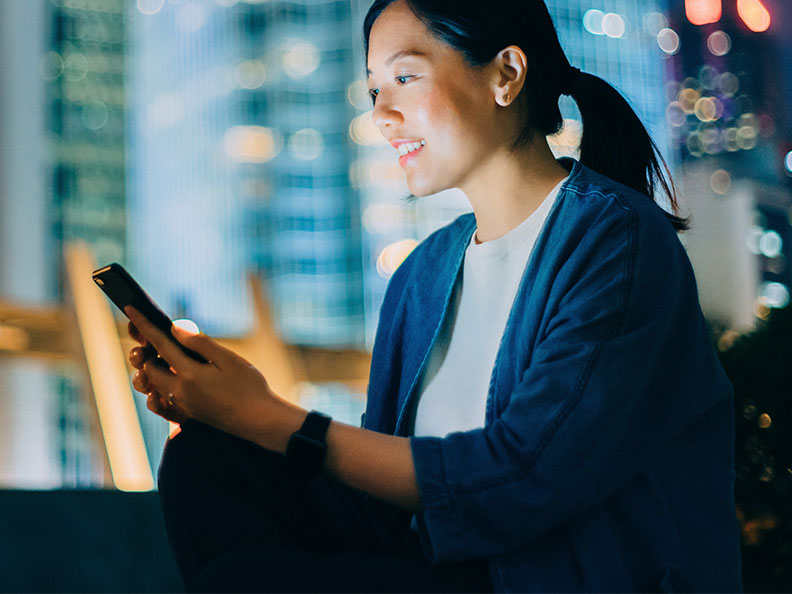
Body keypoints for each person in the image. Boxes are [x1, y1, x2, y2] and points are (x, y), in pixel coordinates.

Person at [127, 0, 743, 591]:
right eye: (375, 91)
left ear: (506, 74)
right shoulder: (421, 275)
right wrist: (233, 415)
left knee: (243, 579)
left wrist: (269, 416)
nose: (381, 115)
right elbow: (384, 489)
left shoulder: (617, 242)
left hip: (557, 578)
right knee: (207, 459)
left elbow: (524, 477)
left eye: (405, 77)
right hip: (438, 564)